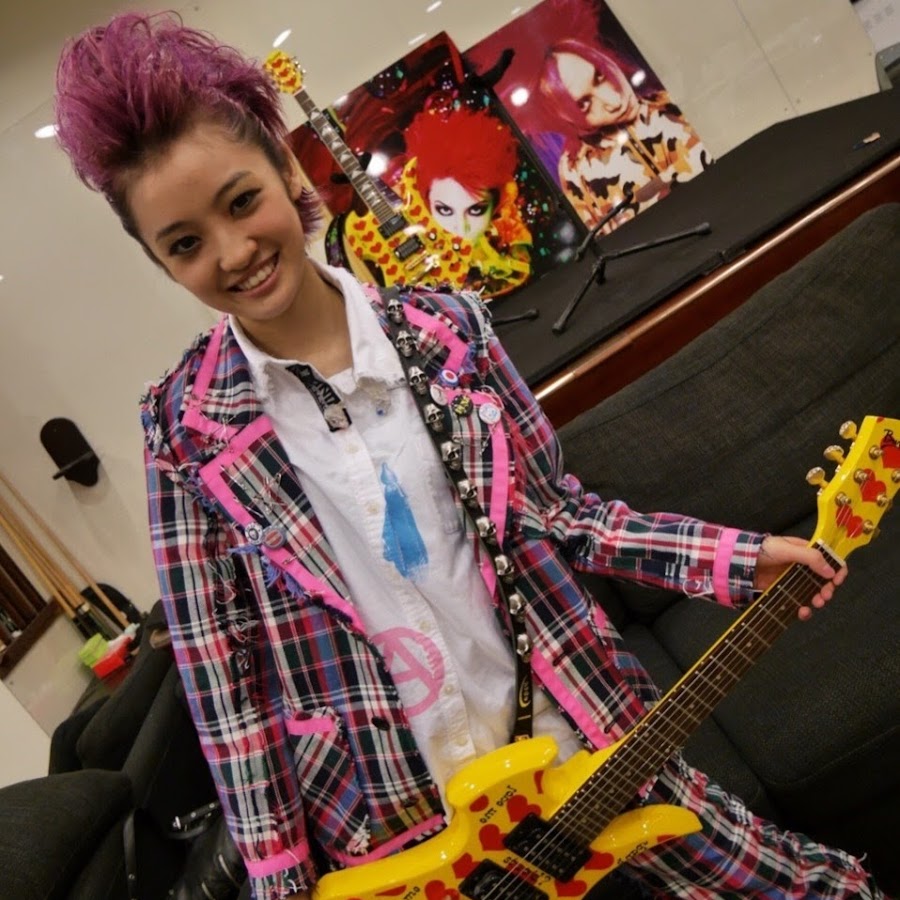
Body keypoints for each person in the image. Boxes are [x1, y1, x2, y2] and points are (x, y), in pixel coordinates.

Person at [54, 12, 885, 900]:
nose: (233, 252)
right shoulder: (183, 429)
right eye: (184, 244)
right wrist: (284, 885)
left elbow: (562, 513)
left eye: (240, 201)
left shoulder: (446, 330)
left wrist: (737, 560)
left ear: (287, 175)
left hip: (583, 733)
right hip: (403, 829)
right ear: (161, 262)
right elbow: (226, 688)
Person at [343, 105, 533, 298]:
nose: (461, 225)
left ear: (495, 208)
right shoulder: (413, 210)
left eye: (476, 210)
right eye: (445, 210)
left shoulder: (509, 246)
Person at [537, 38, 710, 233]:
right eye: (584, 104)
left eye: (600, 76)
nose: (614, 101)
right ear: (568, 118)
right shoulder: (575, 169)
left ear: (606, 60)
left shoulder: (672, 103)